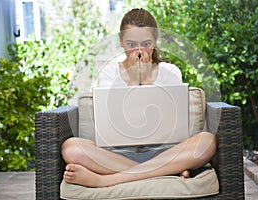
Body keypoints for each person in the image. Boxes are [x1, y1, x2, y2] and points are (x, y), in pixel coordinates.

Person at [62, 8, 216, 188]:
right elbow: (113, 125)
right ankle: (166, 172)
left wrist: (148, 82)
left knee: (207, 142)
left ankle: (107, 180)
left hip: (165, 152)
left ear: (156, 41)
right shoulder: (109, 72)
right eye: (131, 44)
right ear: (121, 42)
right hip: (118, 155)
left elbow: (170, 124)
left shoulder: (170, 72)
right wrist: (133, 81)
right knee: (70, 147)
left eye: (146, 44)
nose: (139, 51)